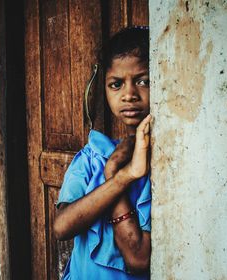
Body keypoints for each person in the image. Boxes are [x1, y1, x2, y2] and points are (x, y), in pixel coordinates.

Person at [53, 27, 151, 280]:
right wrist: (118, 175)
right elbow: (62, 227)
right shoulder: (91, 156)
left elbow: (139, 259)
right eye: (116, 84)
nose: (129, 95)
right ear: (103, 90)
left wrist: (119, 174)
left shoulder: (166, 162)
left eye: (143, 81)